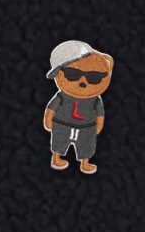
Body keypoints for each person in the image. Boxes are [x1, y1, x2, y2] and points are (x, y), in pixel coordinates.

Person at [43, 40, 113, 172]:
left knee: (86, 145)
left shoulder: (95, 100)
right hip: (62, 124)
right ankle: (56, 158)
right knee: (59, 141)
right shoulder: (62, 96)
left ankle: (85, 163)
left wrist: (98, 126)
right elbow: (52, 107)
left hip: (87, 127)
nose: (83, 82)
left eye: (94, 77)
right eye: (72, 75)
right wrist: (48, 120)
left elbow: (100, 114)